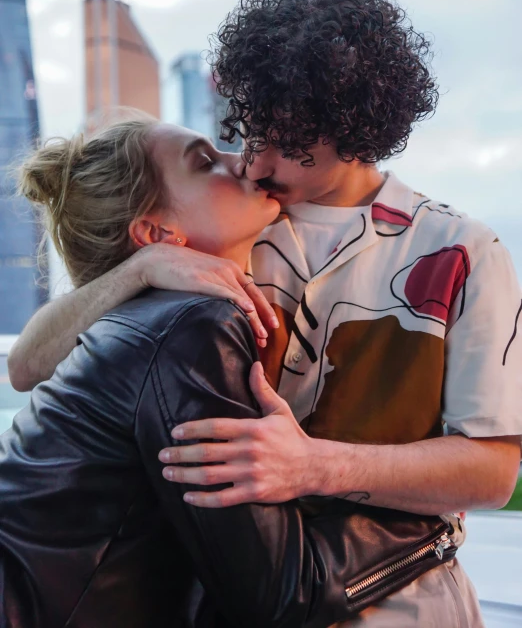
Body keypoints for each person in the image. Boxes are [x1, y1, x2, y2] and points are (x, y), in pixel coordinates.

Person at [10, 0, 522, 627]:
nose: (252, 160)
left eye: (283, 138)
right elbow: (28, 364)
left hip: (408, 606)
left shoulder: (465, 251)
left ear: (347, 126)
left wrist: (312, 467)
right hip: (243, 601)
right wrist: (140, 266)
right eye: (249, 128)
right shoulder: (231, 228)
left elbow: (492, 471)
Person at [0, 119, 456, 628]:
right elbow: (283, 596)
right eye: (203, 162)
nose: (239, 159)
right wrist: (432, 526)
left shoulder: (143, 314)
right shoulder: (191, 325)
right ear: (156, 234)